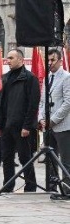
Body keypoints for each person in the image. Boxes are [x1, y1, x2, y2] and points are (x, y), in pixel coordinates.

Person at [0, 49, 40, 193]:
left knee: (25, 157)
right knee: (6, 157)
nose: (8, 60)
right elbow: (3, 103)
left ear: (20, 60)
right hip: (6, 125)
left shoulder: (29, 78)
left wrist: (27, 126)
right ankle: (8, 186)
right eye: (7, 58)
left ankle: (30, 186)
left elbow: (33, 104)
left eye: (11, 58)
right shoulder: (6, 77)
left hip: (22, 126)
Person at [38, 49, 70, 199]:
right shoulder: (47, 78)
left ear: (60, 61)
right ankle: (52, 187)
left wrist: (53, 120)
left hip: (63, 126)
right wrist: (41, 119)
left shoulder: (66, 77)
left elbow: (67, 103)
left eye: (52, 60)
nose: (49, 63)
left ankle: (67, 189)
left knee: (65, 159)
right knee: (50, 158)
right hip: (48, 126)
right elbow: (43, 101)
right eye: (48, 60)